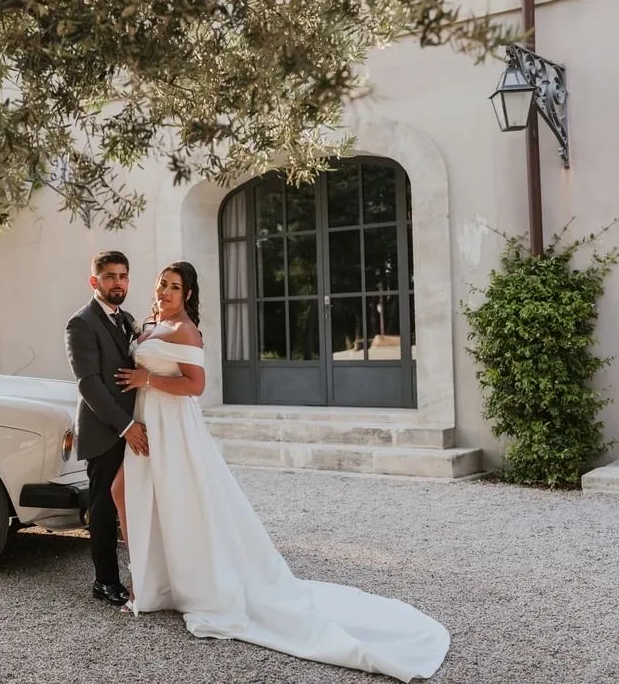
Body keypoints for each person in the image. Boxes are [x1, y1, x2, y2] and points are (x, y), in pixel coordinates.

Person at [111, 261, 451, 684]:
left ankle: (176, 583)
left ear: (188, 295)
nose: (164, 291)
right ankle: (149, 579)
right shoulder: (151, 323)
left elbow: (195, 386)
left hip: (174, 428)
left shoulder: (185, 331)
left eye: (174, 287)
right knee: (131, 493)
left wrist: (147, 377)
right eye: (162, 283)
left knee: (177, 502)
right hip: (148, 422)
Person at [65, 251, 149, 607]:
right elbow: (89, 383)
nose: (118, 282)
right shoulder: (81, 323)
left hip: (136, 424)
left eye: (123, 276)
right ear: (94, 281)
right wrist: (126, 426)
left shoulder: (127, 318)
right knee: (102, 508)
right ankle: (105, 581)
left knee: (133, 499)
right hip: (105, 429)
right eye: (110, 276)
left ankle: (144, 573)